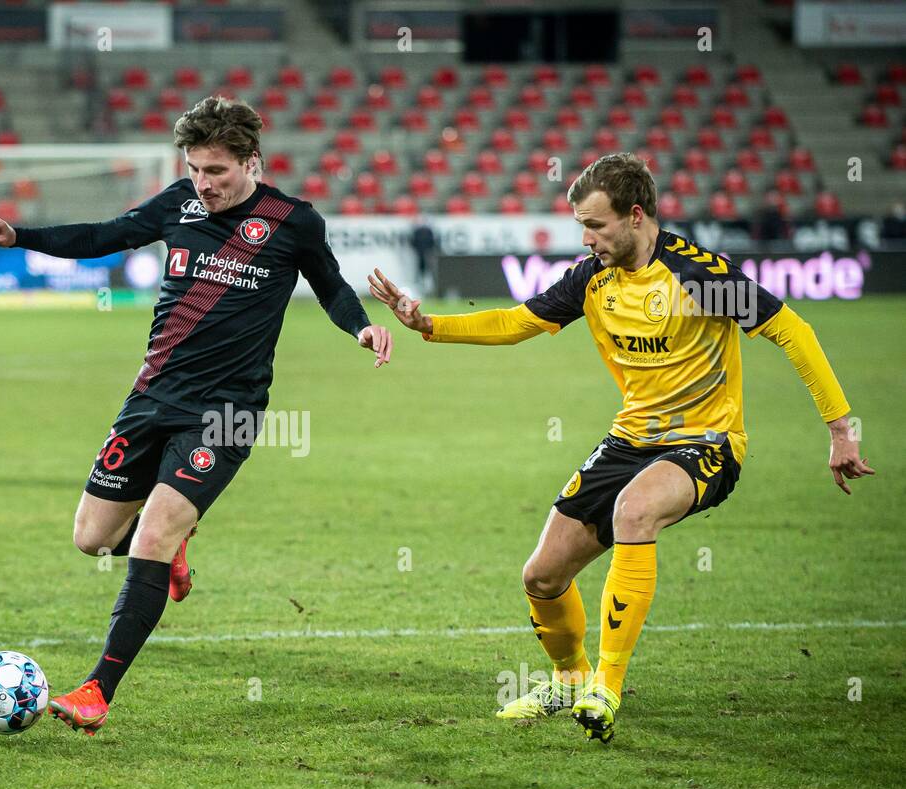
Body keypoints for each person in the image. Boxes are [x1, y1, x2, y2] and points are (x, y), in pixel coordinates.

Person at [370, 152, 873, 744]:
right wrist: (430, 326)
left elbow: (793, 330)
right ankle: (569, 677)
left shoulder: (697, 276)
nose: (587, 239)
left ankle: (606, 686)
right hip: (630, 440)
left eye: (596, 225)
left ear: (636, 216)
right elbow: (519, 322)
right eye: (581, 226)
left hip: (706, 442)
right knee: (542, 576)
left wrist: (840, 429)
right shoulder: (594, 277)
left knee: (634, 511)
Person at [0, 96, 392, 734]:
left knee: (151, 538)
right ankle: (174, 539)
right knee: (91, 538)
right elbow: (103, 236)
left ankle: (97, 691)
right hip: (152, 398)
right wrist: (19, 235)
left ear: (252, 161)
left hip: (229, 412)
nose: (204, 182)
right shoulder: (178, 203)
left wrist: (359, 328)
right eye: (195, 168)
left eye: (217, 170)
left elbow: (330, 284)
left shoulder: (292, 221)